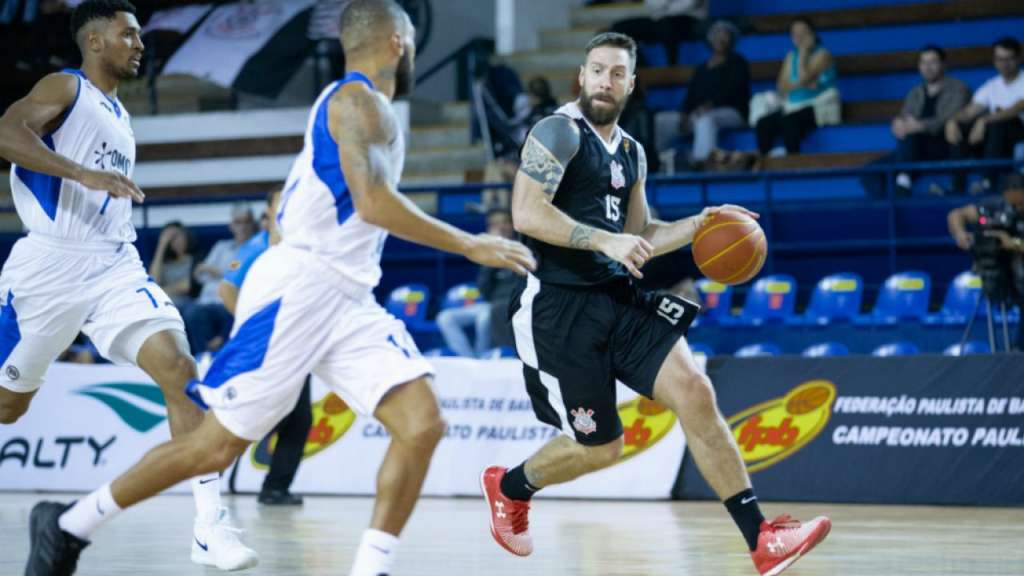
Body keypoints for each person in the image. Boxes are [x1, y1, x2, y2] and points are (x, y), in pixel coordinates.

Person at [23, 3, 536, 576]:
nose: (415, 52)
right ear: (398, 41)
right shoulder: (355, 101)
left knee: (422, 423)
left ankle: (372, 568)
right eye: (413, 42)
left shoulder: (373, 106)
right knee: (213, 447)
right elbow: (372, 202)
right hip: (300, 288)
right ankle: (69, 525)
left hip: (347, 295)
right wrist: (471, 244)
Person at [479, 32, 831, 576]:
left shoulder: (632, 151)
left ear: (632, 84)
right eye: (597, 70)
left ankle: (761, 538)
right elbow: (526, 213)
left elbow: (641, 232)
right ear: (582, 74)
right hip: (559, 310)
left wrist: (700, 225)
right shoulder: (558, 131)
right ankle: (509, 488)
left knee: (696, 390)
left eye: (617, 73)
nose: (605, 81)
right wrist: (603, 240)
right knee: (601, 448)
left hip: (618, 298)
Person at [0, 0, 256, 572]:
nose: (140, 44)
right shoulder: (64, 87)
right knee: (8, 408)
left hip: (114, 268)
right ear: (94, 41)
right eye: (129, 34)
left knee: (181, 370)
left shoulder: (120, 115)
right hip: (47, 269)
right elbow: (6, 132)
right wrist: (82, 174)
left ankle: (209, 527)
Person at [218, 189, 311, 506]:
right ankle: (211, 470)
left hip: (296, 344)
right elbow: (226, 287)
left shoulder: (304, 246)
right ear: (268, 211)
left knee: (298, 419)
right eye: (280, 200)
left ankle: (275, 487)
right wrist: (250, 326)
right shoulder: (253, 247)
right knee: (253, 414)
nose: (288, 203)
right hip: (261, 346)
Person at [862, 45, 970, 197]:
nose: (928, 67)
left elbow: (950, 118)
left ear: (944, 65)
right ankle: (888, 207)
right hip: (915, 150)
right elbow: (905, 118)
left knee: (911, 133)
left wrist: (919, 126)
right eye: (924, 63)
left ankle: (903, 179)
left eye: (933, 62)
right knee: (869, 172)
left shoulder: (959, 88)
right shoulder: (915, 92)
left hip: (946, 145)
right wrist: (898, 124)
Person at [947, 172, 1024, 348]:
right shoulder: (996, 207)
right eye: (1013, 204)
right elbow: (956, 215)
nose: (1016, 208)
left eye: (1021, 204)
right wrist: (960, 234)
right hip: (999, 271)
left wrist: (1014, 244)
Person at [436, 208, 520, 357]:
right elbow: (484, 290)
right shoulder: (487, 251)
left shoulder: (521, 249)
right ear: (489, 229)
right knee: (445, 317)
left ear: (512, 225)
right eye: (495, 224)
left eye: (504, 222)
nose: (500, 227)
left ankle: (483, 360)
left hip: (510, 305)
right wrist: (493, 256)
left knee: (485, 317)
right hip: (490, 304)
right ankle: (469, 359)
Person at [947, 37, 1024, 195]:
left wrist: (984, 120)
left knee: (997, 123)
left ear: (1018, 58)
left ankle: (988, 182)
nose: (1004, 63)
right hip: (997, 139)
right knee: (961, 127)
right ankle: (957, 186)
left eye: (1009, 58)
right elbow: (970, 111)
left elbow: (1017, 108)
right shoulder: (992, 85)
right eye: (1000, 59)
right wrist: (952, 121)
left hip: (1019, 133)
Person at [755, 18, 839, 156]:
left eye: (803, 33)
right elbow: (781, 87)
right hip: (793, 105)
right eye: (795, 34)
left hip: (818, 105)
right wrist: (802, 83)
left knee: (790, 122)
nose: (799, 37)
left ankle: (792, 161)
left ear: (813, 34)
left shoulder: (823, 54)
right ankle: (766, 162)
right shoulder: (790, 56)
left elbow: (804, 77)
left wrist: (803, 55)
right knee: (763, 124)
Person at [183, 204, 257, 354]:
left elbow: (238, 278)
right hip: (205, 300)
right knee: (187, 310)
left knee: (195, 313)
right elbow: (199, 275)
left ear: (252, 225)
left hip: (227, 302)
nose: (242, 227)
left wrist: (213, 270)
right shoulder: (221, 246)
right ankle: (205, 359)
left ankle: (208, 358)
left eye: (246, 222)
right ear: (231, 225)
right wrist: (217, 271)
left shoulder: (254, 249)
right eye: (238, 222)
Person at [679, 20, 749, 165]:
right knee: (662, 122)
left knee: (705, 120)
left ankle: (701, 163)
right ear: (710, 39)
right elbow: (691, 96)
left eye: (725, 35)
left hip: (732, 112)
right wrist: (684, 114)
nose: (721, 39)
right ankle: (649, 166)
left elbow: (735, 92)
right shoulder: (701, 68)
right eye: (717, 35)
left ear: (731, 40)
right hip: (698, 112)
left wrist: (711, 105)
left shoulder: (737, 62)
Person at [609, 0, 706, 67]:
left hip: (690, 20)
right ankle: (640, 65)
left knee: (668, 25)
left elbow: (689, 4)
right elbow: (651, 4)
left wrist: (664, 7)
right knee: (619, 28)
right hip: (659, 20)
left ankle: (672, 66)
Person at [149, 221, 197, 308]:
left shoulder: (195, 259)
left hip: (186, 304)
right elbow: (153, 282)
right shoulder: (164, 264)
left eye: (177, 236)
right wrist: (162, 245)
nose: (175, 240)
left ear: (186, 236)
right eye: (170, 238)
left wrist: (159, 291)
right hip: (161, 304)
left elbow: (187, 286)